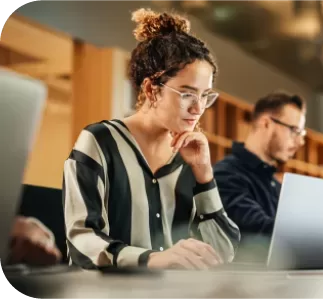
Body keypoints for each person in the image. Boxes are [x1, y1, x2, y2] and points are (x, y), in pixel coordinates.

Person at [62, 8, 240, 271]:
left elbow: (224, 252)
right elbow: (82, 242)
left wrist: (204, 176)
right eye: (187, 94)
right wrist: (152, 259)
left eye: (205, 96)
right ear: (151, 89)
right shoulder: (99, 142)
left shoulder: (189, 156)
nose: (198, 108)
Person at [213, 92, 306, 262]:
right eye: (294, 130)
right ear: (266, 124)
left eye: (301, 133)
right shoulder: (225, 175)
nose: (300, 142)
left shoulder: (275, 186)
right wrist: (316, 240)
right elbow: (257, 231)